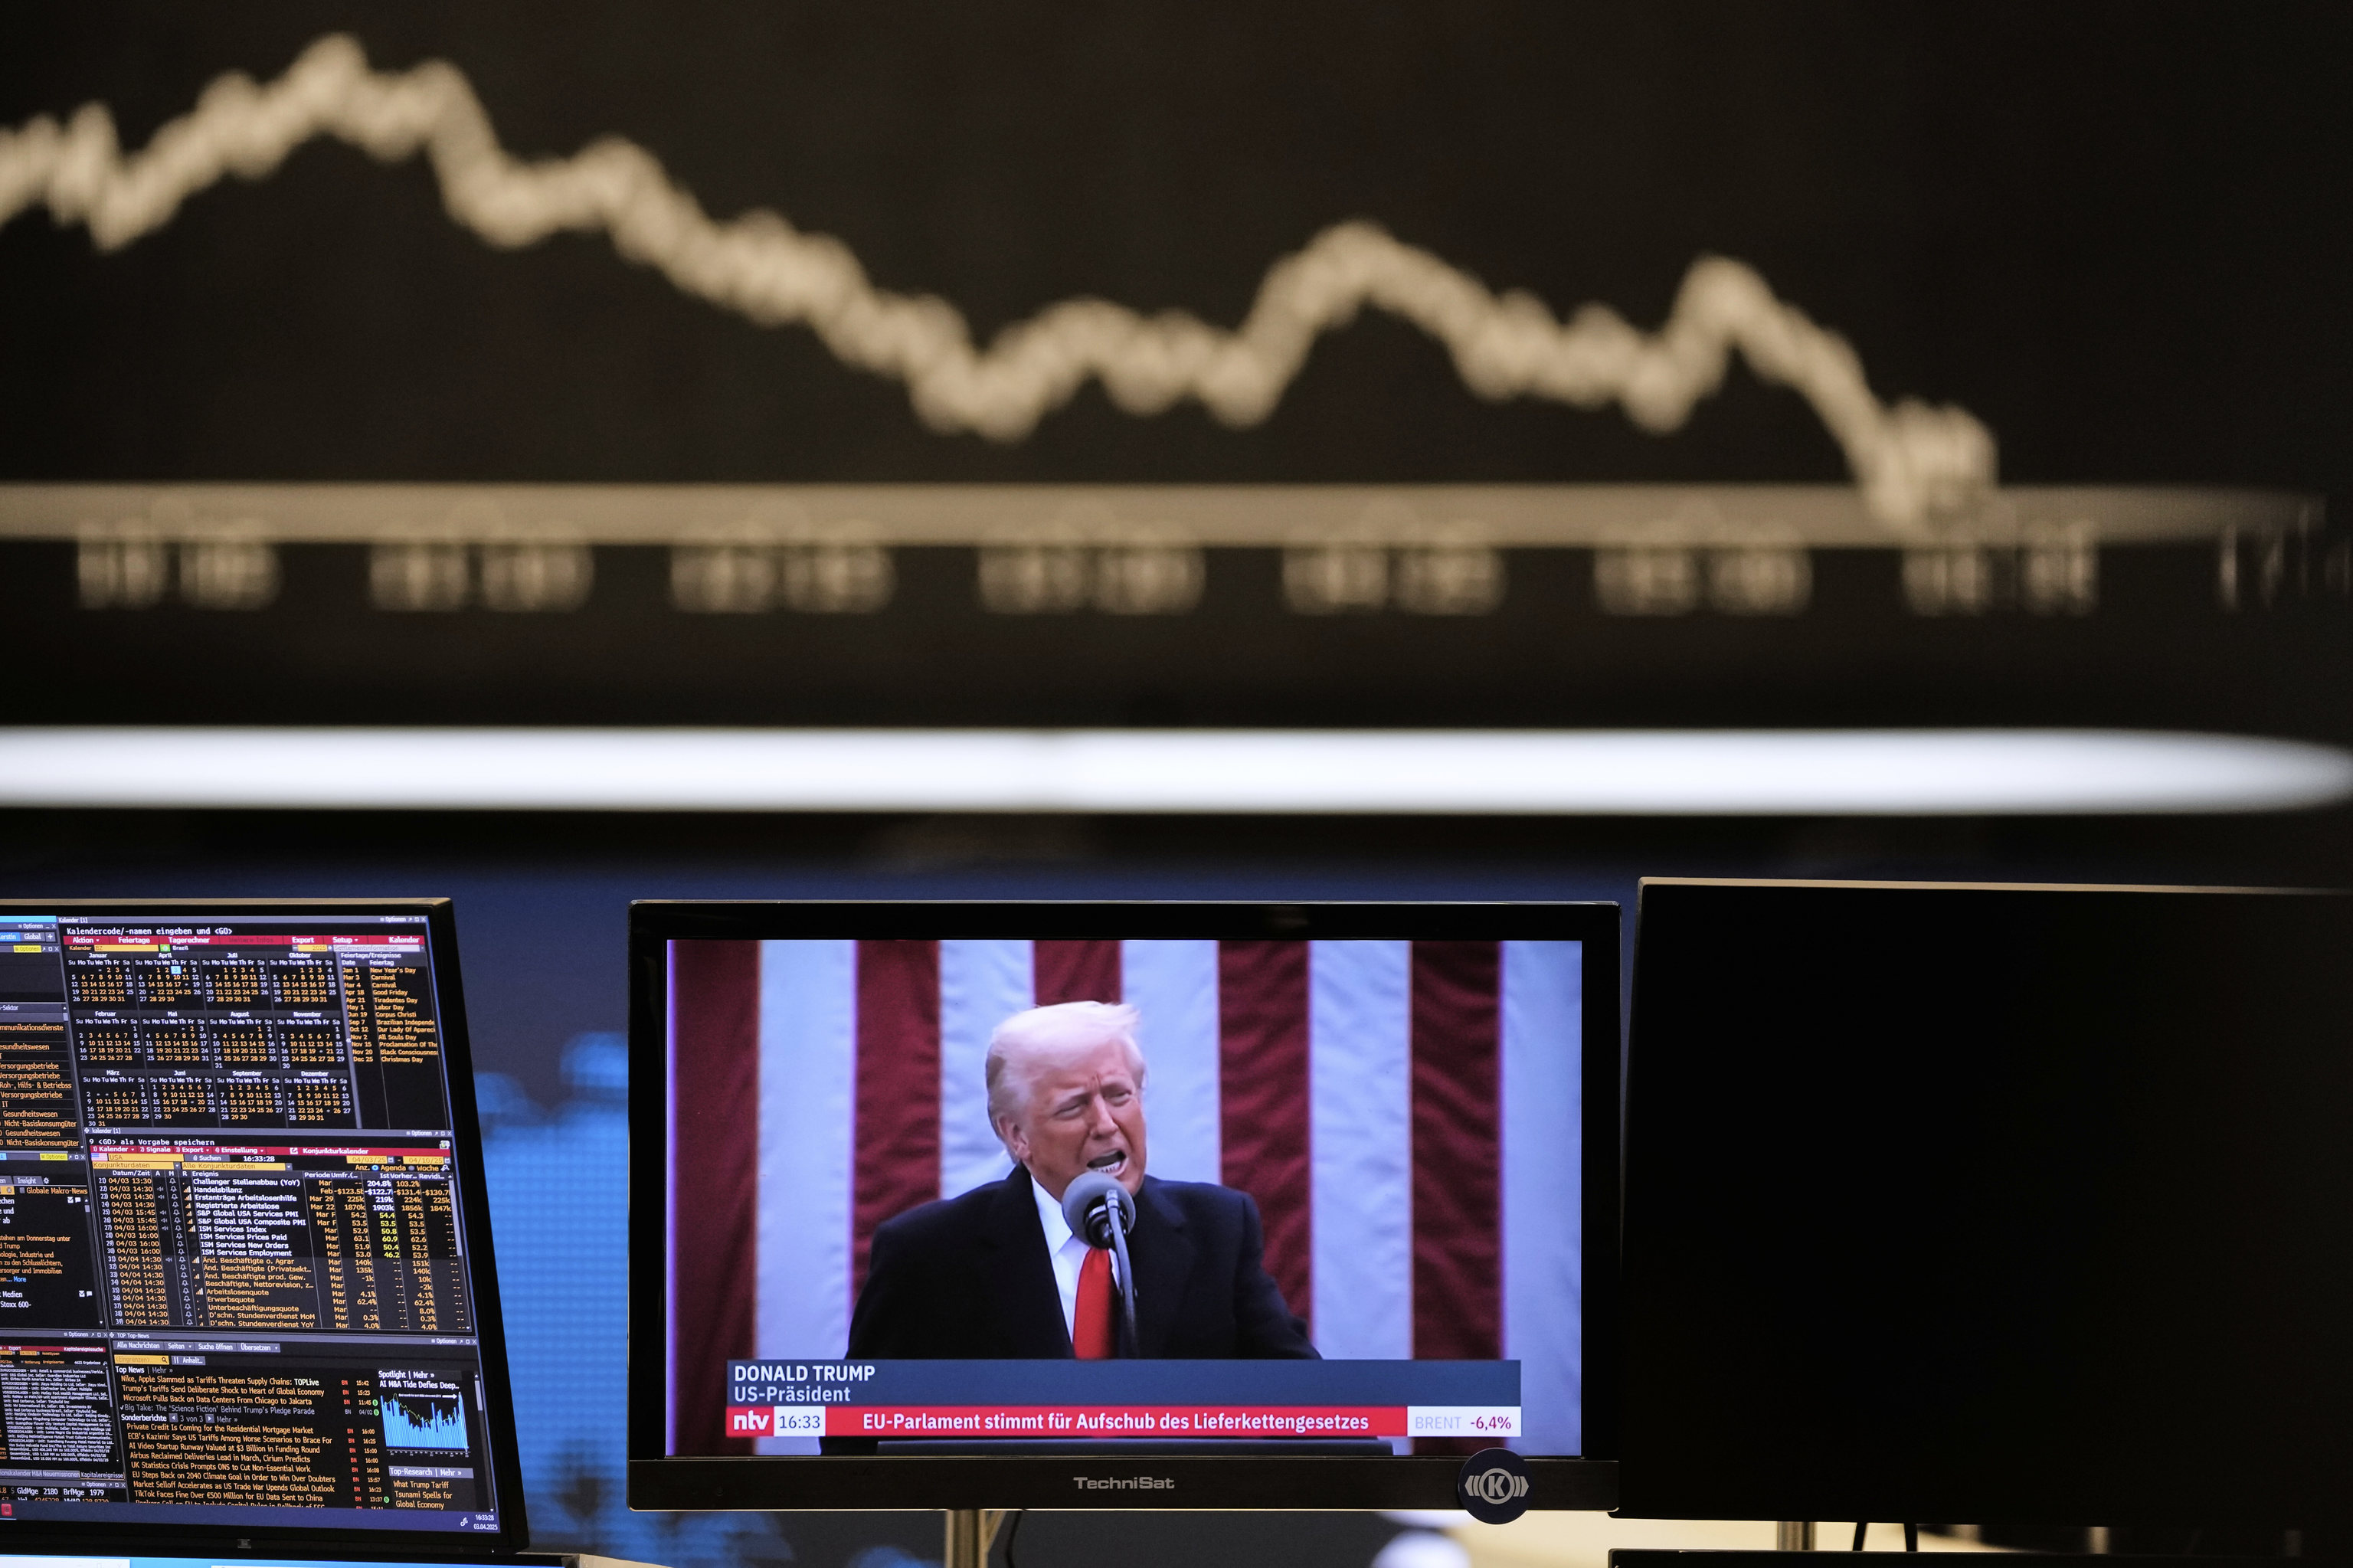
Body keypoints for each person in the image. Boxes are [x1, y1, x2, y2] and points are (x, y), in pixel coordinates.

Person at [847, 1000, 1317, 1359]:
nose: (1107, 1124)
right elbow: (856, 1438)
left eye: (1119, 1095)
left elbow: (1309, 1410)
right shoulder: (927, 1253)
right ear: (1017, 1135)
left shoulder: (1219, 1229)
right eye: (1074, 1106)